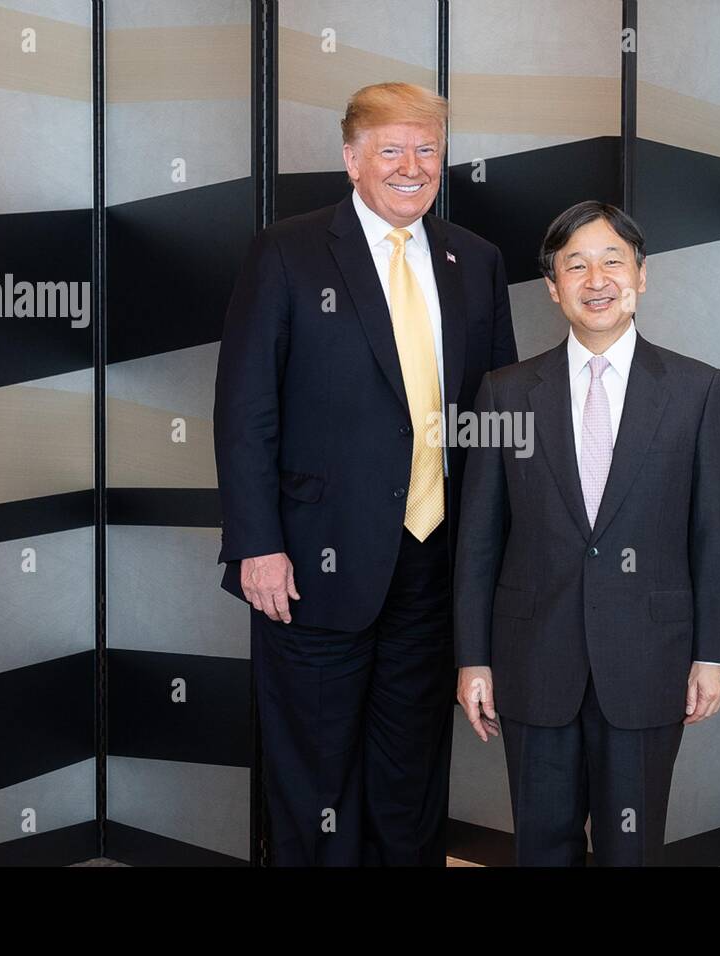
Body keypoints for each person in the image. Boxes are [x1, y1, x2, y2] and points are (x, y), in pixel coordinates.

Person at [213, 82, 517, 865]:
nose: (412, 167)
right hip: (307, 564)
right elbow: (245, 407)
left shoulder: (475, 262)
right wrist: (257, 544)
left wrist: (495, 563)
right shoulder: (288, 250)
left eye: (427, 150)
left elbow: (496, 419)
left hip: (433, 563)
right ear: (352, 160)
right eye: (391, 150)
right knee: (313, 774)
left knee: (411, 774)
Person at [453, 200, 720, 866]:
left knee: (630, 850)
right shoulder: (505, 392)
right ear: (553, 288)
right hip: (531, 661)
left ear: (643, 276)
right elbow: (479, 540)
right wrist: (474, 657)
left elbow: (715, 535)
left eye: (613, 261)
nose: (596, 279)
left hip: (649, 661)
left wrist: (713, 654)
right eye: (575, 265)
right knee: (541, 847)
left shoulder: (698, 391)